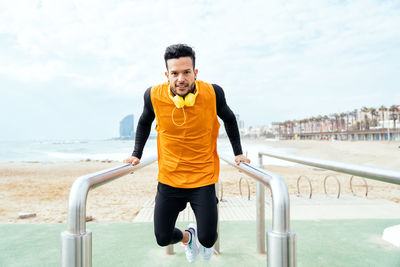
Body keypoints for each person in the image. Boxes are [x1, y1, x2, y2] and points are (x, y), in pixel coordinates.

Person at [124, 44, 250, 262]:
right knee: (162, 237)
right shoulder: (153, 95)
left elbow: (229, 118)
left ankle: (202, 238)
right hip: (170, 178)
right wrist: (136, 153)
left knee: (209, 239)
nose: (180, 79)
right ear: (167, 75)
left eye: (186, 72)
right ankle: (187, 237)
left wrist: (238, 153)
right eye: (174, 73)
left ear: (195, 72)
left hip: (202, 177)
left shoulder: (213, 93)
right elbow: (144, 122)